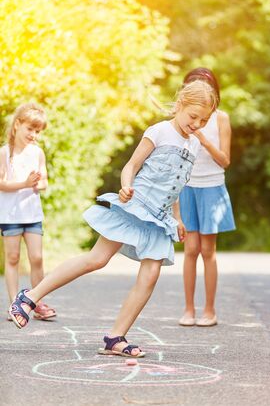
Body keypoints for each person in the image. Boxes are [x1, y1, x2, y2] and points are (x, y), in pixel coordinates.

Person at [9, 80, 217, 358]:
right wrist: (125, 185)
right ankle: (30, 296)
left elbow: (175, 186)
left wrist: (177, 218)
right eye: (193, 117)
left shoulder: (194, 146)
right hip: (136, 205)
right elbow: (131, 166)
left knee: (151, 274)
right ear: (179, 105)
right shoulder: (159, 131)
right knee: (97, 259)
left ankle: (115, 337)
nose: (197, 124)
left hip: (160, 217)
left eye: (204, 120)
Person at [178, 68, 235, 327]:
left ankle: (209, 310)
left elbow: (225, 161)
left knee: (207, 250)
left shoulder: (220, 118)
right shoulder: (184, 117)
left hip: (212, 187)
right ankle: (188, 310)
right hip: (188, 188)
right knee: (190, 250)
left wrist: (203, 140)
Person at [0, 103, 56, 321]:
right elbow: (1, 184)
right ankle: (15, 304)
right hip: (10, 215)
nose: (33, 135)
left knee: (37, 257)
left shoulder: (37, 153)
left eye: (37, 131)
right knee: (13, 258)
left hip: (32, 214)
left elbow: (43, 182)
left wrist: (36, 183)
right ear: (17, 125)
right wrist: (24, 183)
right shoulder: (4, 153)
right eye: (30, 129)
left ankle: (37, 302)